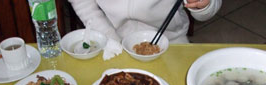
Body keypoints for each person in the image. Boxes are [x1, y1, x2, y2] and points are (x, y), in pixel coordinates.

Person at [69, 0, 222, 43]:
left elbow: (207, 11)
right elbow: (83, 4)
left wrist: (204, 5)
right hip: (110, 35)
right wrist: (111, 39)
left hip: (171, 38)